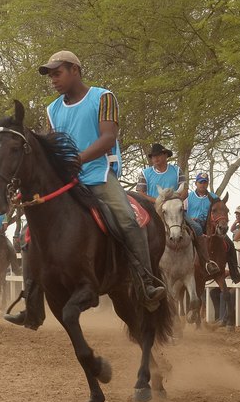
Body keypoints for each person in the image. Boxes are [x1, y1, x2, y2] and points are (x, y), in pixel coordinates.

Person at [40, 50, 165, 307]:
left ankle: (146, 281)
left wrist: (78, 159)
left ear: (75, 70)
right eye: (50, 76)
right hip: (66, 182)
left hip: (97, 175)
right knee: (36, 227)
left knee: (128, 220)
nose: (53, 80)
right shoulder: (52, 110)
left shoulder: (103, 97)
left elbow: (108, 137)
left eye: (57, 73)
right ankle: (31, 297)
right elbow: (52, 147)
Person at [184, 172, 240, 281]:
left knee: (229, 244)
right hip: (193, 226)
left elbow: (221, 211)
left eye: (205, 182)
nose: (203, 185)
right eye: (200, 182)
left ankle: (234, 272)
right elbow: (183, 212)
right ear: (196, 183)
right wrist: (190, 219)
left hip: (211, 227)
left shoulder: (214, 197)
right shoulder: (188, 197)